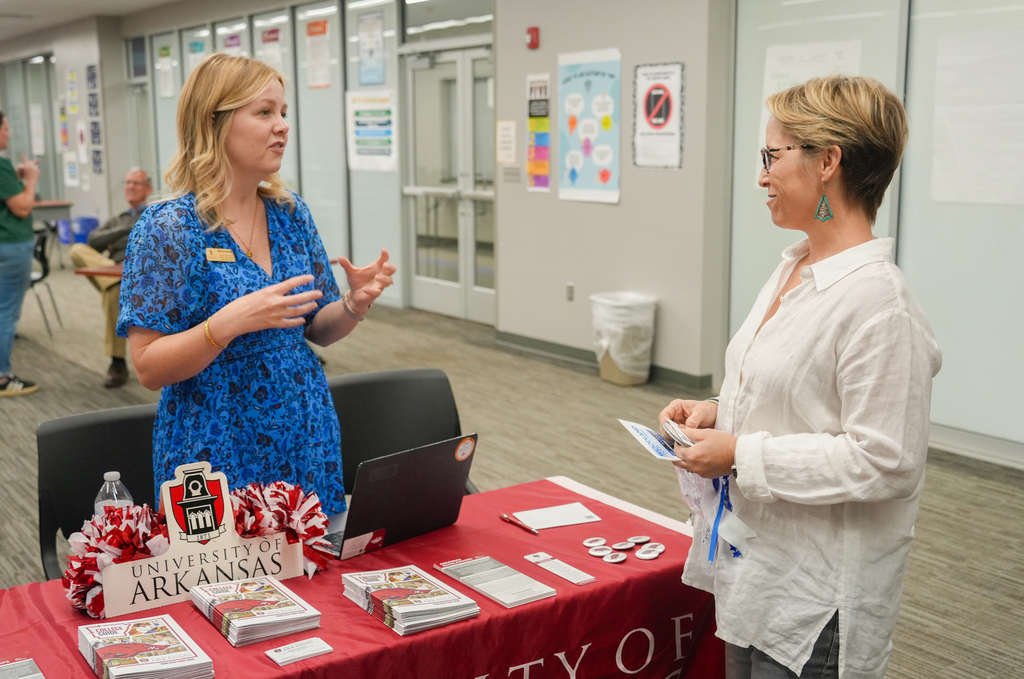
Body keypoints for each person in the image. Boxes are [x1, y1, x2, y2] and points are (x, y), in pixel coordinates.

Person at [659, 75, 941, 679]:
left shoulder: (879, 305)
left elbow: (886, 461)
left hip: (818, 598)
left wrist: (738, 452)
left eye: (772, 156)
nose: (761, 176)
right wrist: (718, 409)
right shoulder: (796, 266)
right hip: (758, 568)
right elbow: (802, 394)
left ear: (828, 163)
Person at [117, 54, 395, 514]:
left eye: (283, 112)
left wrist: (352, 304)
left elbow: (313, 327)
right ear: (214, 122)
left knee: (316, 569)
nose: (282, 126)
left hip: (304, 430)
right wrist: (227, 324)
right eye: (264, 112)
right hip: (215, 440)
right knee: (234, 584)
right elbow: (148, 367)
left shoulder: (289, 212)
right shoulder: (170, 227)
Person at [70, 168, 153, 388]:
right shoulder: (119, 218)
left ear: (148, 189)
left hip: (142, 276)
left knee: (114, 293)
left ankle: (117, 363)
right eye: (127, 182)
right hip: (113, 269)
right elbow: (93, 240)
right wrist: (124, 230)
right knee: (77, 249)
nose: (131, 187)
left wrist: (114, 241)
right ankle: (116, 279)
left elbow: (148, 244)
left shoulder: (154, 213)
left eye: (136, 183)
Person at [0, 110, 41, 396]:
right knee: (6, 313)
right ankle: (3, 377)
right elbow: (22, 207)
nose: (9, 133)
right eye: (5, 128)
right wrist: (32, 180)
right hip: (10, 246)